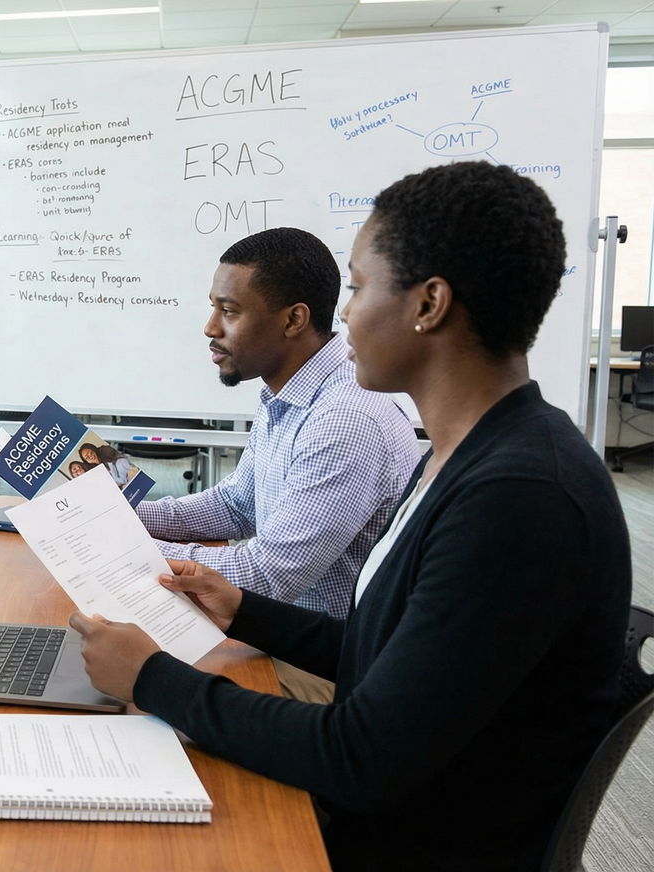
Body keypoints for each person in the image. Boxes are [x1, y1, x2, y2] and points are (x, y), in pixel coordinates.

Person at [70, 162, 630, 872]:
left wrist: (153, 678)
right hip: (396, 802)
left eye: (360, 288)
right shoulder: (465, 457)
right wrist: (244, 610)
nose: (344, 317)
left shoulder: (519, 497)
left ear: (429, 304)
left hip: (406, 842)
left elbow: (361, 755)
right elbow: (383, 650)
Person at [135, 227, 421, 623]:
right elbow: (236, 506)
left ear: (293, 320)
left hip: (321, 654)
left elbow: (265, 576)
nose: (211, 328)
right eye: (213, 308)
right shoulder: (288, 394)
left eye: (229, 311)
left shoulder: (344, 421)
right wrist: (126, 516)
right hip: (278, 635)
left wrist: (128, 549)